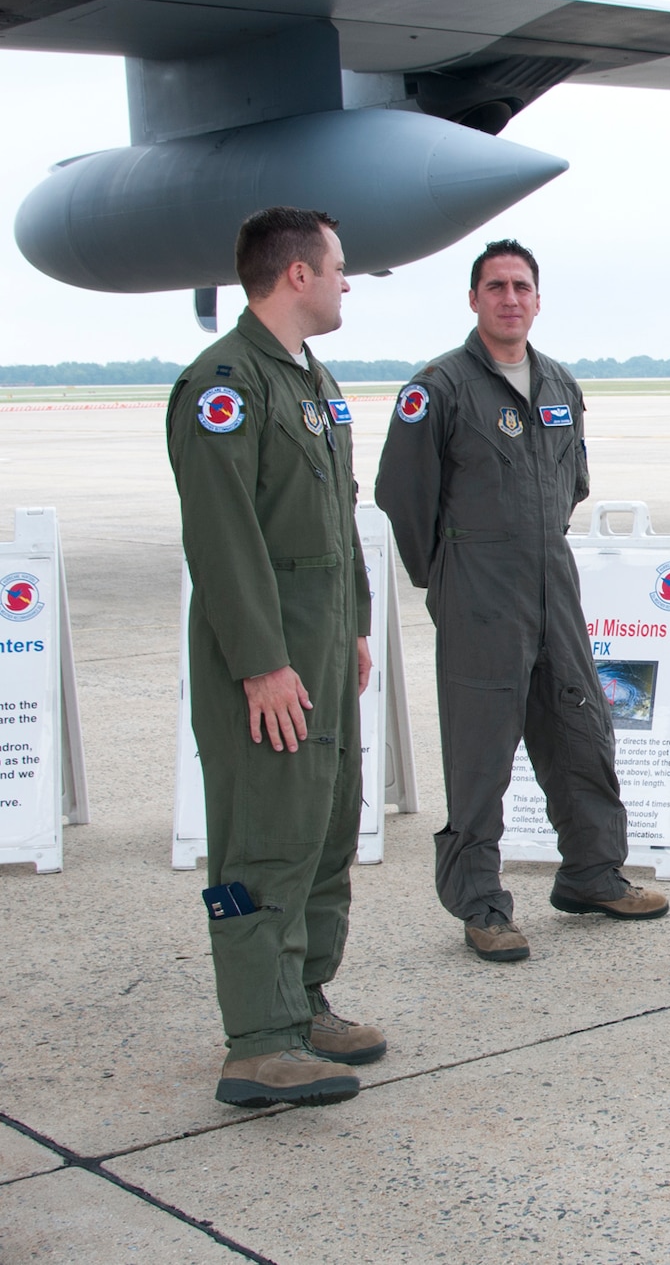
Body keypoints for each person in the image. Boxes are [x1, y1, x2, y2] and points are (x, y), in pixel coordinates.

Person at [377, 239, 667, 964]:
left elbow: (573, 485)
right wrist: (447, 579)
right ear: (474, 299)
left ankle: (592, 872)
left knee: (582, 728)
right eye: (496, 286)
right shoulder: (438, 388)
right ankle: (481, 903)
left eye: (522, 286)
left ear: (538, 299)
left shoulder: (560, 385)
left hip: (553, 585)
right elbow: (401, 499)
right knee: (481, 756)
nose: (510, 298)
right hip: (479, 596)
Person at [166, 207, 382, 1108]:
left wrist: (359, 624)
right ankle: (258, 1040)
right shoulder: (223, 383)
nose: (344, 282)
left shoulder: (311, 377)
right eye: (337, 267)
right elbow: (223, 542)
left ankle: (303, 1002)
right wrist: (261, 661)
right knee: (265, 838)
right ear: (296, 273)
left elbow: (340, 515)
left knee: (327, 827)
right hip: (270, 663)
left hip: (325, 650)